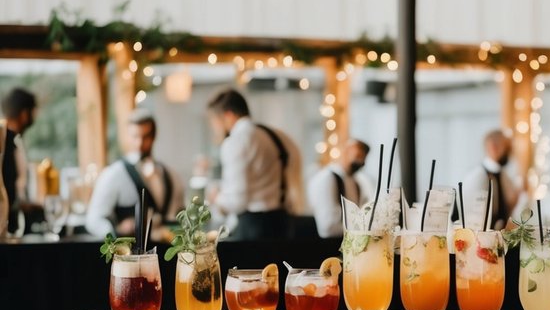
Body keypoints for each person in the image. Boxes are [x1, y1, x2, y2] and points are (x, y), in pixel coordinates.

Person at [206, 88, 304, 239]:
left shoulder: (236, 141)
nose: (214, 128)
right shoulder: (277, 135)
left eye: (214, 121)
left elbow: (237, 201)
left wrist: (216, 198)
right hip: (284, 223)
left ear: (228, 115)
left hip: (254, 230)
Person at [85, 113, 185, 239]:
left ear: (154, 137)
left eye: (146, 137)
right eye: (135, 136)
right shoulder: (113, 174)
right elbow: (93, 220)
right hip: (131, 255)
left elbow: (179, 216)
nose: (140, 143)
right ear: (127, 137)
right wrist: (116, 233)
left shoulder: (171, 175)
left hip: (166, 253)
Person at [307, 139, 374, 238]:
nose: (362, 162)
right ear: (346, 151)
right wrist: (362, 230)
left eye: (364, 158)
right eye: (358, 156)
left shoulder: (357, 181)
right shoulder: (327, 178)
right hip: (329, 244)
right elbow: (328, 227)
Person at [460, 129, 522, 229]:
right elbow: (473, 220)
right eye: (507, 148)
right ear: (492, 146)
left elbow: (508, 208)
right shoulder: (478, 177)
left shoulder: (503, 176)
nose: (510, 153)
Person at [1, 86, 36, 212]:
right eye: (34, 111)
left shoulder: (13, 141)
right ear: (24, 114)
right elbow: (12, 190)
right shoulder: (9, 143)